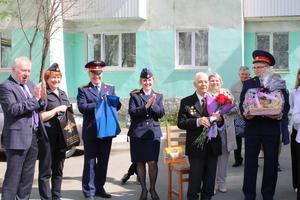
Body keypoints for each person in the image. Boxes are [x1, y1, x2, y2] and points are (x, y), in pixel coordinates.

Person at [239, 50, 290, 200]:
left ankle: (268, 195)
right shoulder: (248, 83)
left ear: (268, 67)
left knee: (270, 164)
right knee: (250, 164)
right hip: (252, 129)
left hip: (271, 129)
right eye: (255, 67)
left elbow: (285, 105)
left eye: (260, 67)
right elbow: (243, 104)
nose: (256, 70)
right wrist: (245, 113)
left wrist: (279, 114)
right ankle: (249, 195)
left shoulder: (278, 83)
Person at [0, 56, 47, 200]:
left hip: (33, 136)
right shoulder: (6, 86)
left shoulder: (31, 85)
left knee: (27, 178)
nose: (26, 74)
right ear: (14, 70)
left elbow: (38, 107)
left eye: (29, 70)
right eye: (23, 70)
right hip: (17, 139)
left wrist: (42, 99)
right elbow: (13, 109)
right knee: (13, 178)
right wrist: (35, 99)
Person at [77, 60, 121, 199]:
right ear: (89, 74)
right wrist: (98, 103)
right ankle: (89, 191)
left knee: (103, 161)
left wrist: (115, 101)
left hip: (106, 131)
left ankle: (99, 188)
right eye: (94, 73)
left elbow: (116, 107)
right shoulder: (83, 89)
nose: (97, 76)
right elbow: (82, 107)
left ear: (102, 73)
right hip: (91, 131)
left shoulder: (110, 88)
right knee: (90, 162)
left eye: (99, 73)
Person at [177, 72, 223, 200]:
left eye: (205, 81)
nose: (203, 84)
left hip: (213, 146)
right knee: (195, 182)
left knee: (209, 181)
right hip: (196, 148)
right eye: (200, 82)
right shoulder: (186, 101)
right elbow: (181, 123)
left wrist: (219, 119)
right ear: (195, 84)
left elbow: (221, 122)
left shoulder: (216, 99)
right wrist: (197, 121)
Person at [127, 68, 165, 200]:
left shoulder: (158, 95)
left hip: (152, 133)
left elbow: (161, 114)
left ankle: (152, 188)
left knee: (153, 162)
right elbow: (132, 112)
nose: (147, 82)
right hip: (137, 133)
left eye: (149, 80)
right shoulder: (135, 95)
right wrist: (145, 107)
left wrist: (153, 105)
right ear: (141, 81)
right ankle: (143, 189)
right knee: (139, 162)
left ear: (153, 81)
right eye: (144, 80)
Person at [38, 63, 70, 200]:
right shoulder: (44, 94)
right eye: (53, 78)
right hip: (47, 138)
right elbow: (40, 116)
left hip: (62, 137)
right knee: (46, 171)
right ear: (47, 79)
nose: (56, 80)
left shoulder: (62, 93)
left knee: (58, 170)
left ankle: (56, 197)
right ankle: (46, 198)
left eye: (58, 77)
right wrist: (56, 110)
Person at [208, 73, 237, 193]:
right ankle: (212, 183)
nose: (215, 83)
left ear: (221, 82)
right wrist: (213, 116)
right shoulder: (206, 94)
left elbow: (235, 108)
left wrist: (222, 115)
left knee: (224, 157)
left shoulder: (227, 93)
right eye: (212, 81)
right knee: (212, 157)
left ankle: (222, 182)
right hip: (211, 130)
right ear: (209, 83)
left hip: (226, 129)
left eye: (217, 81)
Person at [230, 66, 251, 167]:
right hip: (238, 115)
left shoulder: (254, 85)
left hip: (251, 116)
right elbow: (233, 102)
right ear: (239, 75)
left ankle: (250, 159)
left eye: (246, 74)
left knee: (251, 139)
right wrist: (240, 113)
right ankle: (238, 159)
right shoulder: (234, 87)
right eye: (242, 74)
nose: (244, 76)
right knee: (237, 138)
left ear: (249, 75)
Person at [290, 68, 300, 198]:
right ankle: (296, 184)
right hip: (296, 129)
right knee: (297, 160)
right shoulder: (294, 92)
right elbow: (293, 110)